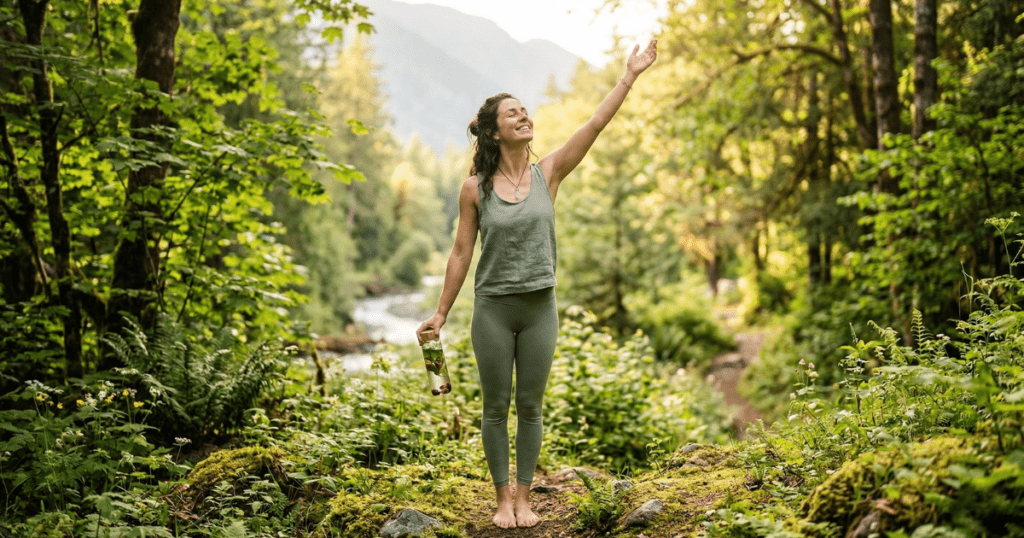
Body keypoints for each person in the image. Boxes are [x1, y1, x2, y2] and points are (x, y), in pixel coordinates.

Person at [416, 39, 658, 529]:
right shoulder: (474, 190)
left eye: (525, 110)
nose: (525, 116)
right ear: (494, 132)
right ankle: (501, 501)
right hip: (493, 311)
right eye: (513, 113)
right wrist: (441, 312)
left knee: (530, 406)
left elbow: (594, 124)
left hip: (539, 307)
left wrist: (630, 75)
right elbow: (462, 252)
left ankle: (525, 499)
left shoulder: (549, 172)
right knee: (495, 408)